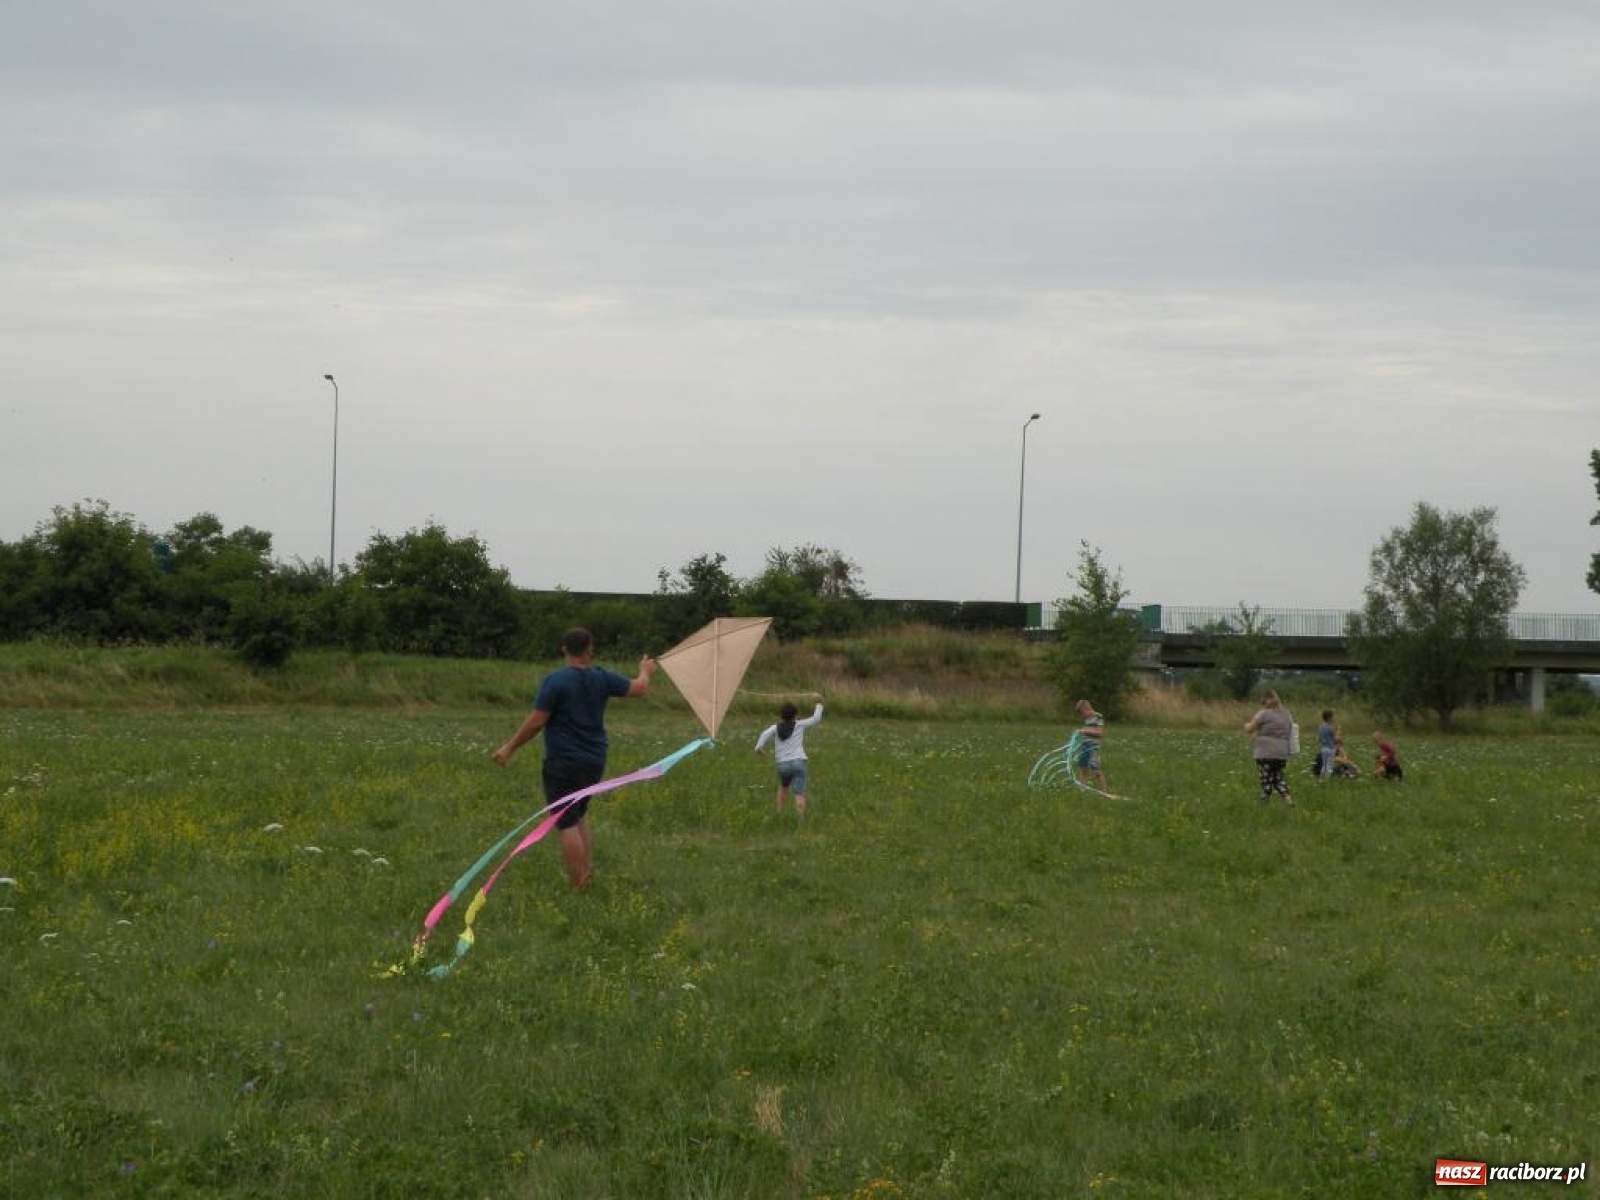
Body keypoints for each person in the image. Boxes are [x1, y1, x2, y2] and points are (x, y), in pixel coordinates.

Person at [491, 628, 656, 891]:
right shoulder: (603, 678)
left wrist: (509, 748)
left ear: (564, 649)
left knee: (565, 821)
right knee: (578, 815)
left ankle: (580, 884)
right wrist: (645, 670)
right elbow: (639, 688)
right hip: (594, 761)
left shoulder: (555, 681)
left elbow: (536, 722)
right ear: (589, 650)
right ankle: (586, 873)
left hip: (563, 763)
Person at [754, 698, 824, 817]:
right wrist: (819, 704)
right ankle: (800, 820)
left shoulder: (775, 727)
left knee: (783, 786)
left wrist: (759, 748)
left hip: (782, 765)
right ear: (795, 714)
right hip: (798, 762)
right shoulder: (799, 724)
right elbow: (816, 719)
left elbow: (764, 734)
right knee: (799, 793)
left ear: (781, 715)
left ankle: (779, 812)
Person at [1243, 689, 1294, 806]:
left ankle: (1264, 801)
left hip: (1265, 752)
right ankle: (1288, 799)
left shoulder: (1263, 713)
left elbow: (1250, 729)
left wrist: (1246, 725)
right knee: (1278, 777)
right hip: (1281, 752)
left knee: (1266, 777)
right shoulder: (1287, 714)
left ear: (1265, 700)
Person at [1071, 699, 1108, 791]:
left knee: (1096, 770)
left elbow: (1099, 732)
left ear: (1087, 709)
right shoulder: (1086, 719)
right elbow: (1087, 732)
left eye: (1082, 713)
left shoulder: (1098, 717)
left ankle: (1104, 791)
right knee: (1082, 767)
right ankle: (1082, 789)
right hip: (1084, 746)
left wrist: (1084, 731)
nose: (1082, 716)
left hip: (1093, 747)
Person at [1315, 709, 1338, 780]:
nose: (1334, 718)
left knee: (1324, 765)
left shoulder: (1320, 727)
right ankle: (1327, 780)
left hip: (1323, 748)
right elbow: (1335, 739)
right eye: (1333, 717)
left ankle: (1321, 778)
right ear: (1329, 718)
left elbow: (1319, 738)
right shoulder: (1331, 728)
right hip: (1330, 749)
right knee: (1329, 765)